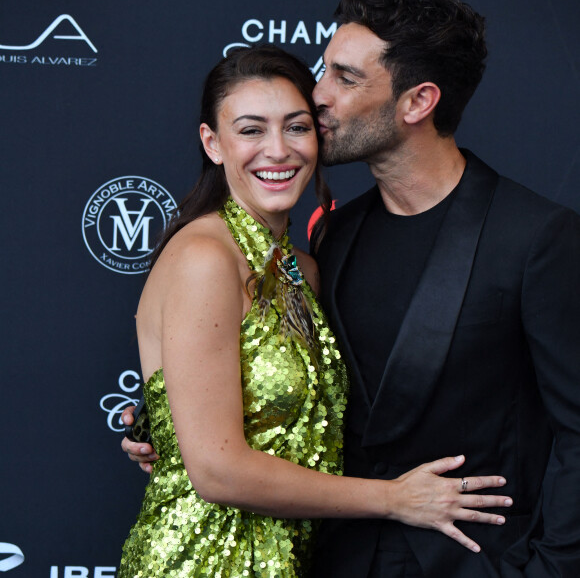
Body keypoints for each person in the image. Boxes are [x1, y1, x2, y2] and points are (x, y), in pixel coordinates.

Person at [118, 43, 512, 577]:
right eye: (251, 130)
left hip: (295, 561)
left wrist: (151, 423)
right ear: (213, 144)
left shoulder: (304, 267)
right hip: (204, 559)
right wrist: (395, 499)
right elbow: (216, 472)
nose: (277, 151)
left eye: (296, 127)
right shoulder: (205, 256)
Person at [307, 0, 580, 577]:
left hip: (471, 564)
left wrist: (549, 570)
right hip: (335, 556)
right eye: (323, 70)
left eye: (345, 77)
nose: (318, 96)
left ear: (418, 102)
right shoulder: (336, 234)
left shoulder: (535, 238)